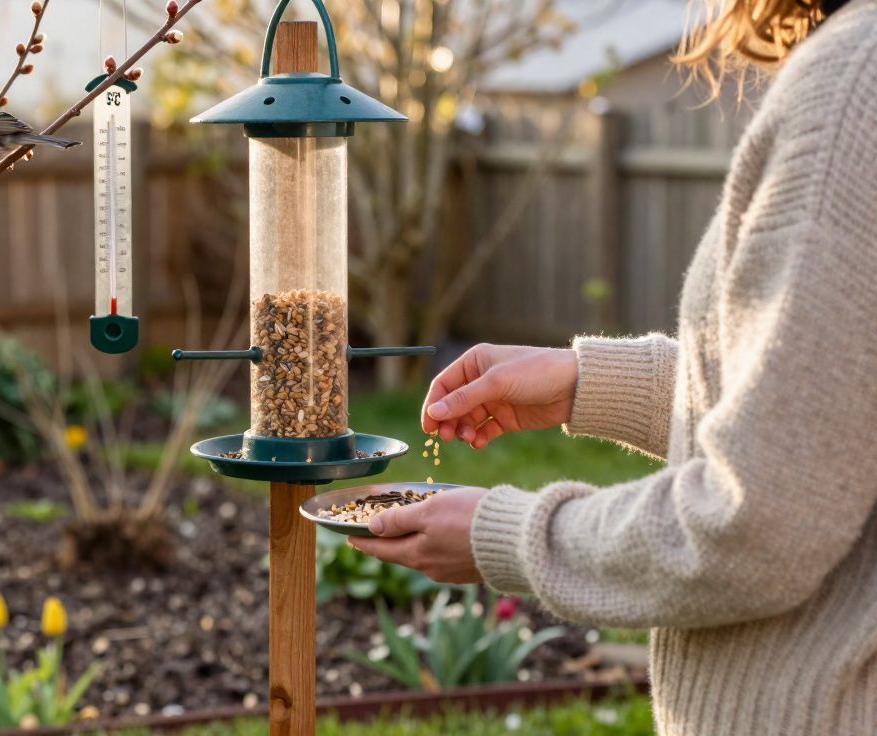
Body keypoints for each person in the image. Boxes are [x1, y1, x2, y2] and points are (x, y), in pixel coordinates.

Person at [348, 1, 877, 734]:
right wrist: (585, 383)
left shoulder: (857, 79)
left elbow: (755, 526)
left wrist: (506, 534)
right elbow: (831, 406)